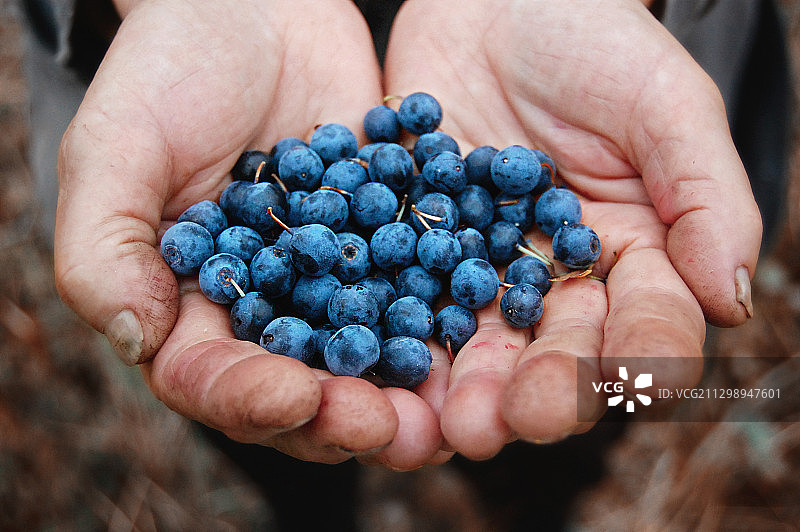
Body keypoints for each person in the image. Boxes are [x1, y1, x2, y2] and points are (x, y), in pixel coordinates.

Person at [38, 0, 772, 471]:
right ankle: (306, 509)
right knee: (277, 417)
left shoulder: (479, 225)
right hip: (245, 81)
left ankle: (535, 500)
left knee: (569, 413)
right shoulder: (280, 230)